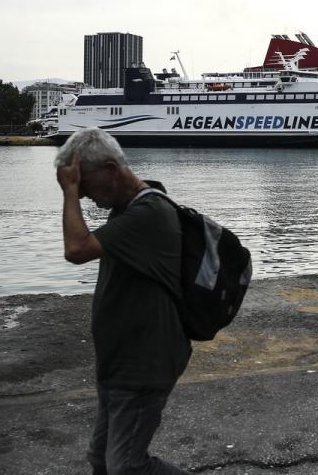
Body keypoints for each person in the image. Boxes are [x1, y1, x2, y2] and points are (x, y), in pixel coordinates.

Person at [55, 127, 191, 475]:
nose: (84, 195)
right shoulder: (127, 208)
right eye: (79, 189)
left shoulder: (148, 213)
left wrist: (68, 193)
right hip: (119, 362)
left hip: (143, 363)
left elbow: (76, 249)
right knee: (102, 460)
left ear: (112, 171)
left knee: (127, 466)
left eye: (85, 185)